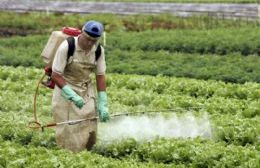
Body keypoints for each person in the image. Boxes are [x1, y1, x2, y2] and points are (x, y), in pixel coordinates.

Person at [51, 20, 109, 152]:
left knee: (90, 124)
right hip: (65, 89)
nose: (89, 43)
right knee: (69, 128)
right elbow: (56, 75)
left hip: (85, 88)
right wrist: (71, 95)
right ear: (82, 34)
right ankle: (68, 156)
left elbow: (100, 76)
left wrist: (103, 102)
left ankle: (87, 154)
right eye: (87, 39)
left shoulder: (98, 51)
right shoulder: (67, 46)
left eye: (93, 41)